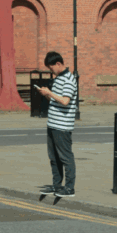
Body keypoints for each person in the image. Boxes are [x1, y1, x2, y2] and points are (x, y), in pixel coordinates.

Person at [37, 51, 78, 198]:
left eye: (51, 67)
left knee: (66, 157)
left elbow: (65, 101)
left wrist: (50, 92)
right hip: (53, 124)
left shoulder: (69, 79)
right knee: (54, 158)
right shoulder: (58, 79)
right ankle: (57, 185)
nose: (51, 70)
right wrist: (46, 95)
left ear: (58, 64)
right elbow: (56, 101)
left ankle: (70, 188)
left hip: (62, 126)